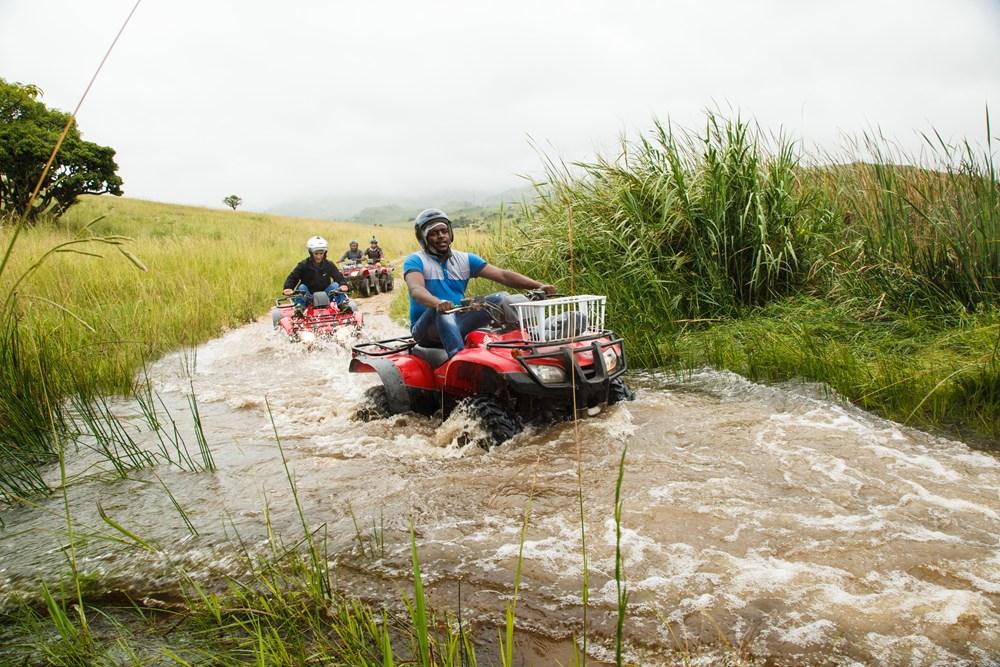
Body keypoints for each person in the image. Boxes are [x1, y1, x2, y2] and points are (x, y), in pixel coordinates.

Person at [403, 208, 555, 358]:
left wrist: (538, 285)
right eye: (434, 233)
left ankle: (526, 345)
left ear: (450, 233)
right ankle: (458, 359)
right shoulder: (416, 261)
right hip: (426, 331)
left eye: (444, 231)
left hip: (458, 320)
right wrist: (438, 303)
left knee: (500, 298)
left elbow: (503, 275)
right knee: (441, 313)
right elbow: (416, 289)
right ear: (424, 238)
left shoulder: (464, 259)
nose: (441, 236)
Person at [282, 236, 351, 315]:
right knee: (302, 287)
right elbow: (293, 277)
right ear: (311, 253)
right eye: (316, 253)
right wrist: (288, 287)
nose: (319, 256)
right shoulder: (303, 265)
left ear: (325, 253)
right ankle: (299, 307)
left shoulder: (329, 264)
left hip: (326, 295)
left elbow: (338, 276)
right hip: (308, 296)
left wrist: (343, 284)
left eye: (321, 253)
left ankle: (342, 305)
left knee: (335, 285)